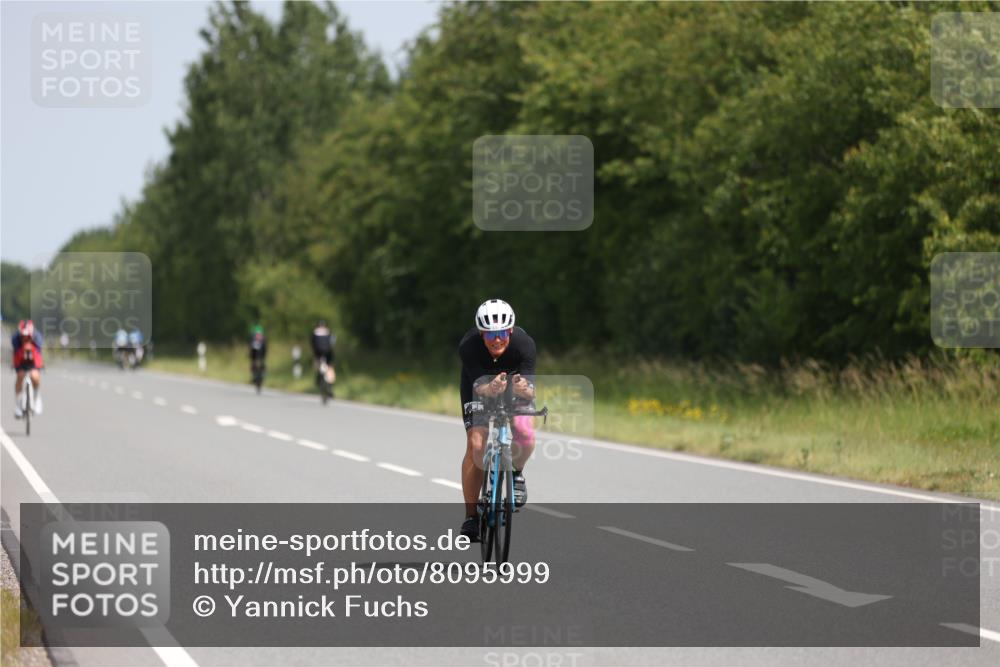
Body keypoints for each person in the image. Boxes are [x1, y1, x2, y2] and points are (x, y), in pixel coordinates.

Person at [458, 299, 536, 541]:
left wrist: (524, 388)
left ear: (510, 331)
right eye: (490, 334)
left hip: (513, 388)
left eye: (502, 333)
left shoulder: (524, 345)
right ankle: (471, 517)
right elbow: (480, 387)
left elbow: (531, 389)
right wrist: (490, 387)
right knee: (476, 446)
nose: (496, 339)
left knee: (525, 433)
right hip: (479, 387)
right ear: (481, 334)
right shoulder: (468, 346)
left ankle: (517, 473)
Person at [11, 319, 44, 418]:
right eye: (23, 336)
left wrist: (39, 366)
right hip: (21, 359)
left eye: (28, 336)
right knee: (20, 376)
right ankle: (18, 404)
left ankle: (37, 398)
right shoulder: (15, 339)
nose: (25, 338)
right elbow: (16, 355)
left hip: (34, 360)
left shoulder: (37, 338)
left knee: (35, 376)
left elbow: (38, 355)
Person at [311, 319, 335, 386]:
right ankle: (331, 382)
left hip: (318, 352)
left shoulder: (315, 331)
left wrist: (314, 351)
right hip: (328, 352)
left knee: (316, 362)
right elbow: (332, 342)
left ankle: (318, 376)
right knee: (330, 366)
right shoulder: (329, 331)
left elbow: (312, 343)